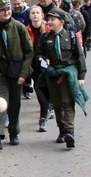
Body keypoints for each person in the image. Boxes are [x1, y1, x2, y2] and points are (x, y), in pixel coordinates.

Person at [0, 0, 34, 149]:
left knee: (15, 104)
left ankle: (14, 132)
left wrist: (24, 74)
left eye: (8, 9)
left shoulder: (19, 27)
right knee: (0, 102)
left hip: (16, 70)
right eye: (3, 10)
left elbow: (29, 52)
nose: (6, 12)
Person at [35, 8, 88, 148]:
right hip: (52, 72)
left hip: (68, 72)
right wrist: (42, 59)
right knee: (57, 104)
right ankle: (62, 131)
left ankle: (70, 131)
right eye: (48, 19)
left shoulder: (70, 36)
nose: (49, 22)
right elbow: (38, 54)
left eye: (53, 20)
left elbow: (79, 55)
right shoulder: (45, 37)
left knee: (67, 103)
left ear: (61, 22)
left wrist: (81, 75)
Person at [25, 6, 51, 132]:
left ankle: (43, 117)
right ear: (30, 16)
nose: (35, 15)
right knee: (40, 91)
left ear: (42, 15)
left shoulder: (48, 29)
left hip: (47, 65)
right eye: (33, 13)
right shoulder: (25, 30)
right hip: (33, 67)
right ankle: (44, 115)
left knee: (47, 91)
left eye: (37, 13)